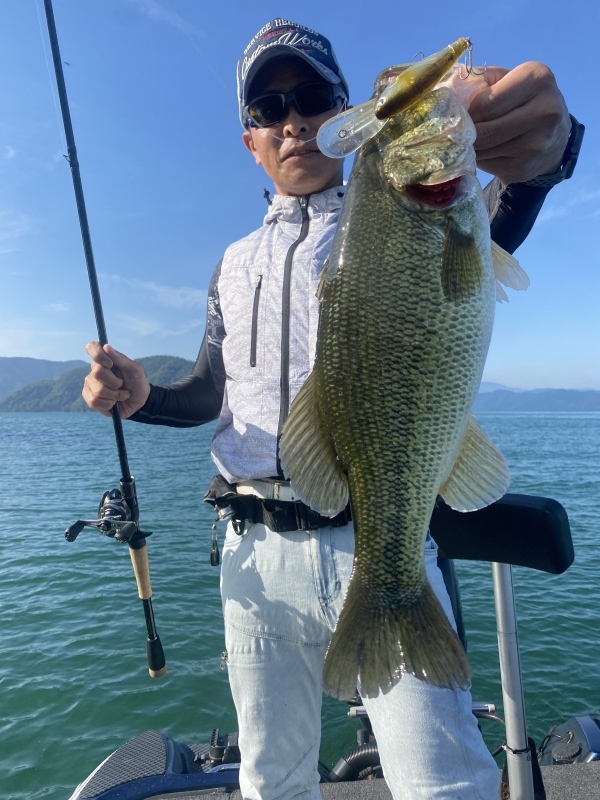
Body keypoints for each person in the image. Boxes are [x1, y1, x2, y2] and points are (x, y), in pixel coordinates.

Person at [83, 19, 584, 800]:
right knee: (271, 780)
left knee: (443, 782)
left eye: (313, 97)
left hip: (371, 536)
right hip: (251, 555)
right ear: (250, 140)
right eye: (269, 107)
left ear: (349, 118)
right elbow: (213, 389)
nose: (292, 120)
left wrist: (549, 153)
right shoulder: (231, 264)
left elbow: (497, 216)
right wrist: (143, 398)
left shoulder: (391, 209)